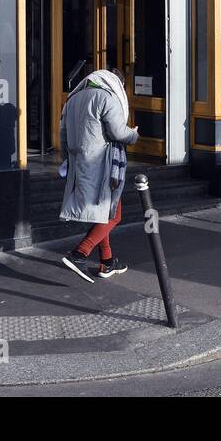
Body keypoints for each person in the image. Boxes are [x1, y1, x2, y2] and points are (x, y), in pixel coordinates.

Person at [57, 67, 139, 282]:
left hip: (79, 162)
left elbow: (63, 134)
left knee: (104, 213)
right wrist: (134, 134)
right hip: (103, 164)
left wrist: (67, 159)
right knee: (114, 214)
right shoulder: (106, 97)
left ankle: (107, 262)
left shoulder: (73, 99)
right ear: (116, 84)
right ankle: (80, 253)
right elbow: (119, 132)